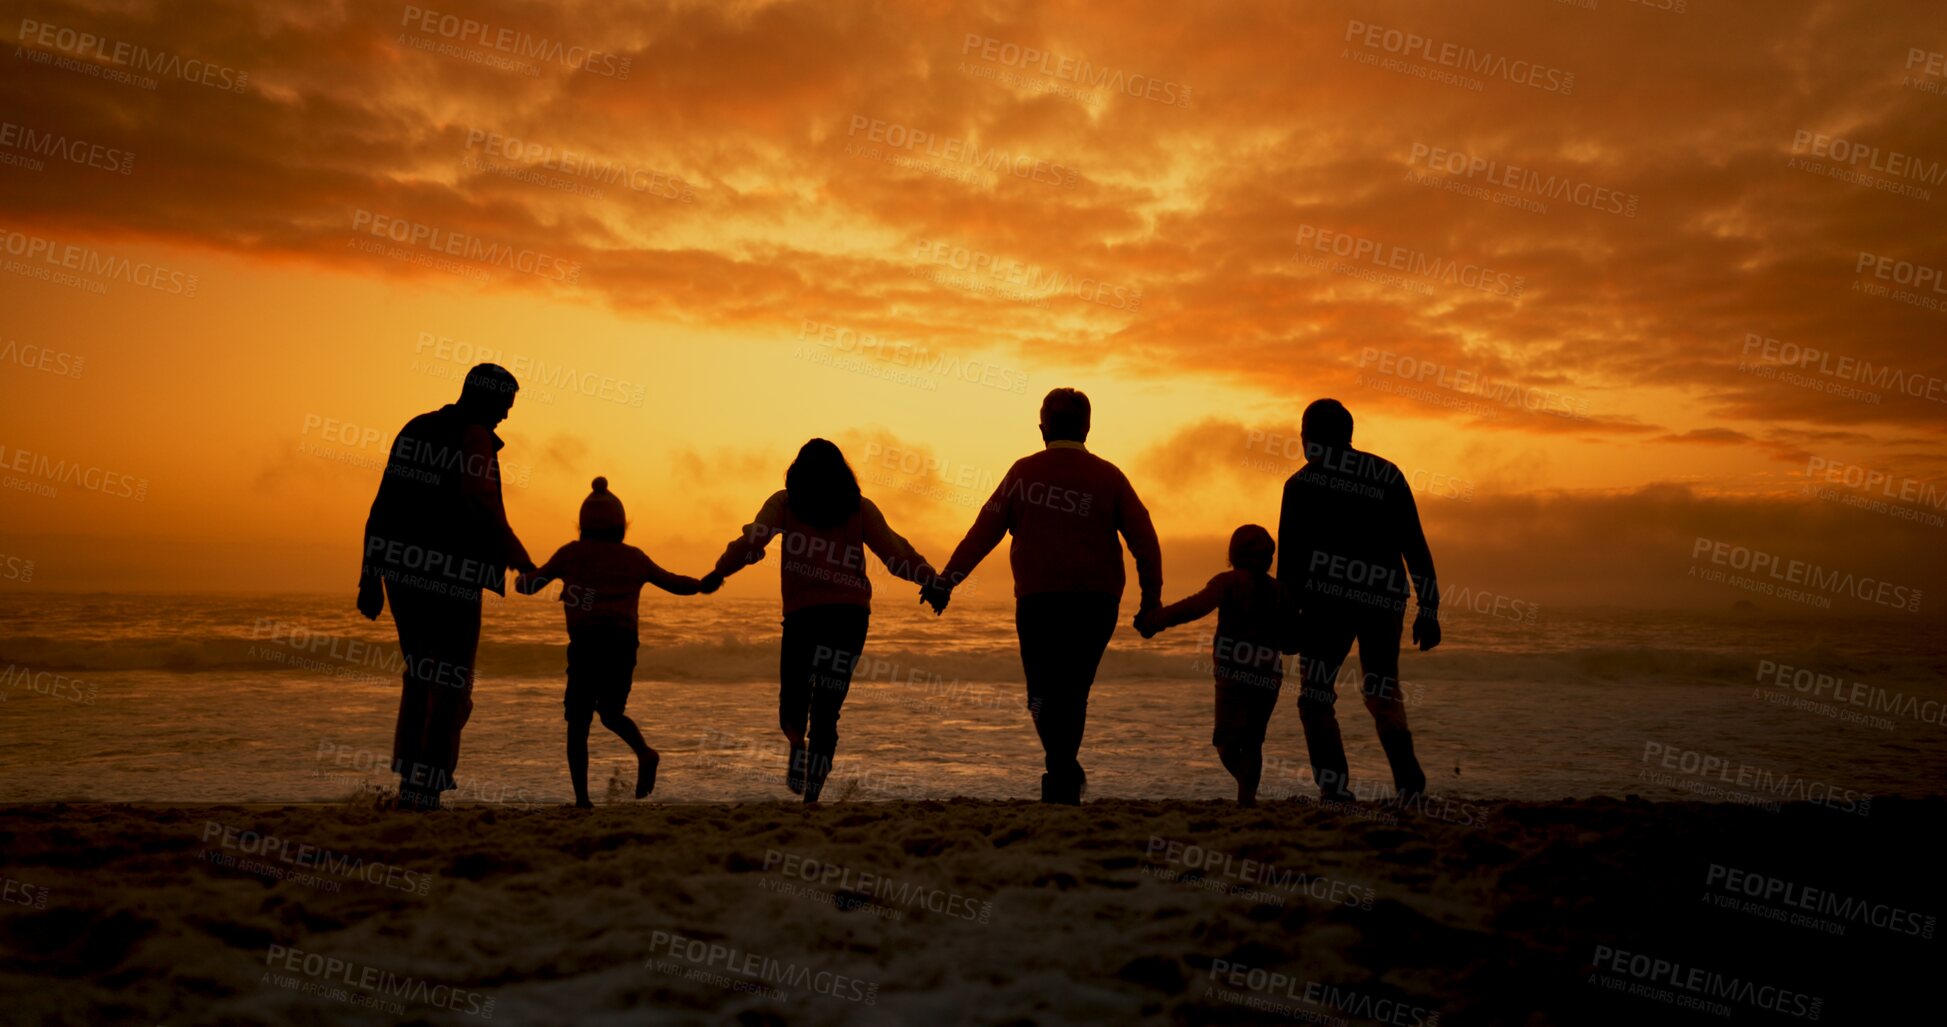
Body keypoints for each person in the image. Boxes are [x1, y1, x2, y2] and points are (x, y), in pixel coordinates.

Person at [924, 388, 1163, 805]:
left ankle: (1060, 772)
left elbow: (983, 534)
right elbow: (1145, 540)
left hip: (1039, 600)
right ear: (1087, 427)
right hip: (1097, 600)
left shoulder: (1022, 473)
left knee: (1041, 693)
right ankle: (1063, 770)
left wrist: (947, 582)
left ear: (1043, 427)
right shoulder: (1110, 476)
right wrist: (1150, 601)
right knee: (1073, 690)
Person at [705, 439, 936, 803]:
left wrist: (721, 571)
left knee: (793, 699)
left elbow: (754, 539)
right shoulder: (857, 506)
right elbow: (895, 553)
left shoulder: (784, 502)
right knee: (828, 710)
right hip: (849, 617)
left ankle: (796, 741)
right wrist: (930, 579)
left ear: (797, 471)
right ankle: (812, 797)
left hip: (803, 617)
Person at [357, 363, 535, 811]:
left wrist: (369, 575)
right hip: (452, 576)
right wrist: (520, 560)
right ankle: (427, 786)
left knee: (421, 676)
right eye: (504, 406)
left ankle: (409, 783)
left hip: (401, 572)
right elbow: (482, 505)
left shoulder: (416, 426)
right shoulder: (473, 436)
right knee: (452, 684)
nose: (506, 417)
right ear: (486, 398)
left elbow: (383, 504)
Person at [518, 477, 719, 808]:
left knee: (578, 722)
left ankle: (582, 800)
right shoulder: (633, 558)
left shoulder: (571, 554)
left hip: (586, 644)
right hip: (622, 644)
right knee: (611, 713)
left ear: (582, 525)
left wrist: (520, 576)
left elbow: (529, 587)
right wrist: (702, 584)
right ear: (621, 526)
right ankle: (644, 751)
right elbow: (673, 582)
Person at [1277, 399, 1440, 804]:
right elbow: (1414, 545)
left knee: (1316, 695)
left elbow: (1291, 563)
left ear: (1310, 437)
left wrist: (1286, 618)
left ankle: (1334, 788)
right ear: (1348, 434)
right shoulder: (1386, 473)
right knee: (1382, 691)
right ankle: (1408, 783)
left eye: (1303, 432)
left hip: (1324, 605)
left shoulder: (1300, 485)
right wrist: (1429, 607)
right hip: (1384, 597)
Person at [1134, 525, 1298, 806]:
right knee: (1254, 741)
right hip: (1270, 673)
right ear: (1269, 558)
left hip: (1233, 674)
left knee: (1225, 742)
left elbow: (1195, 607)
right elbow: (1292, 640)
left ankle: (1245, 786)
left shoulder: (1228, 582)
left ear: (1232, 554)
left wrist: (1155, 620)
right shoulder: (1279, 590)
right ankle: (1246, 801)